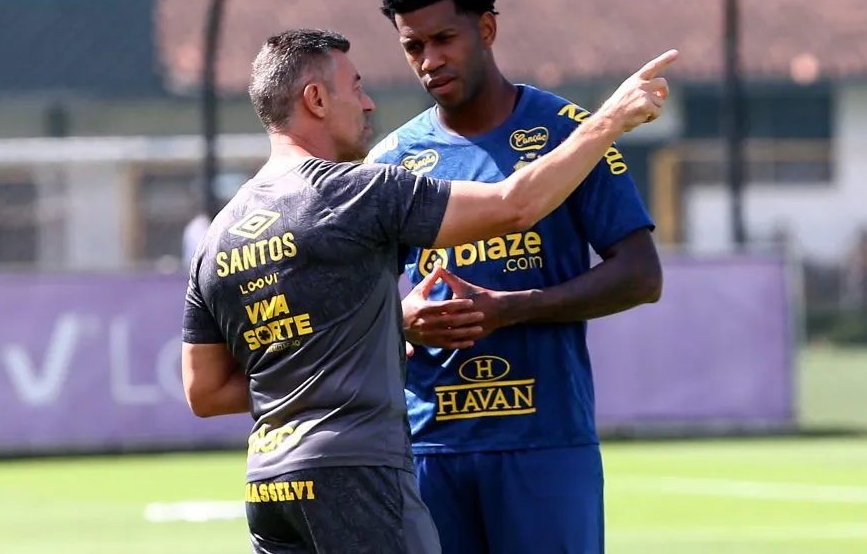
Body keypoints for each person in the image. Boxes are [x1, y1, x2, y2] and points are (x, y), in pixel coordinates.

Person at [180, 28, 676, 554]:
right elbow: (514, 205)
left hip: (271, 485)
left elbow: (204, 392)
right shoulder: (357, 191)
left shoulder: (220, 233)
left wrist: (367, 339)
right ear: (316, 99)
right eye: (356, 87)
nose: (369, 103)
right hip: (359, 473)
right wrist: (610, 120)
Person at [367, 0, 665, 554]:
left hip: (546, 441)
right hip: (427, 446)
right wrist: (398, 321)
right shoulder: (394, 160)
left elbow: (640, 275)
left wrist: (515, 307)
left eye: (444, 38)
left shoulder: (570, 135)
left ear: (487, 28)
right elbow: (351, 299)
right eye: (412, 46)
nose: (430, 60)